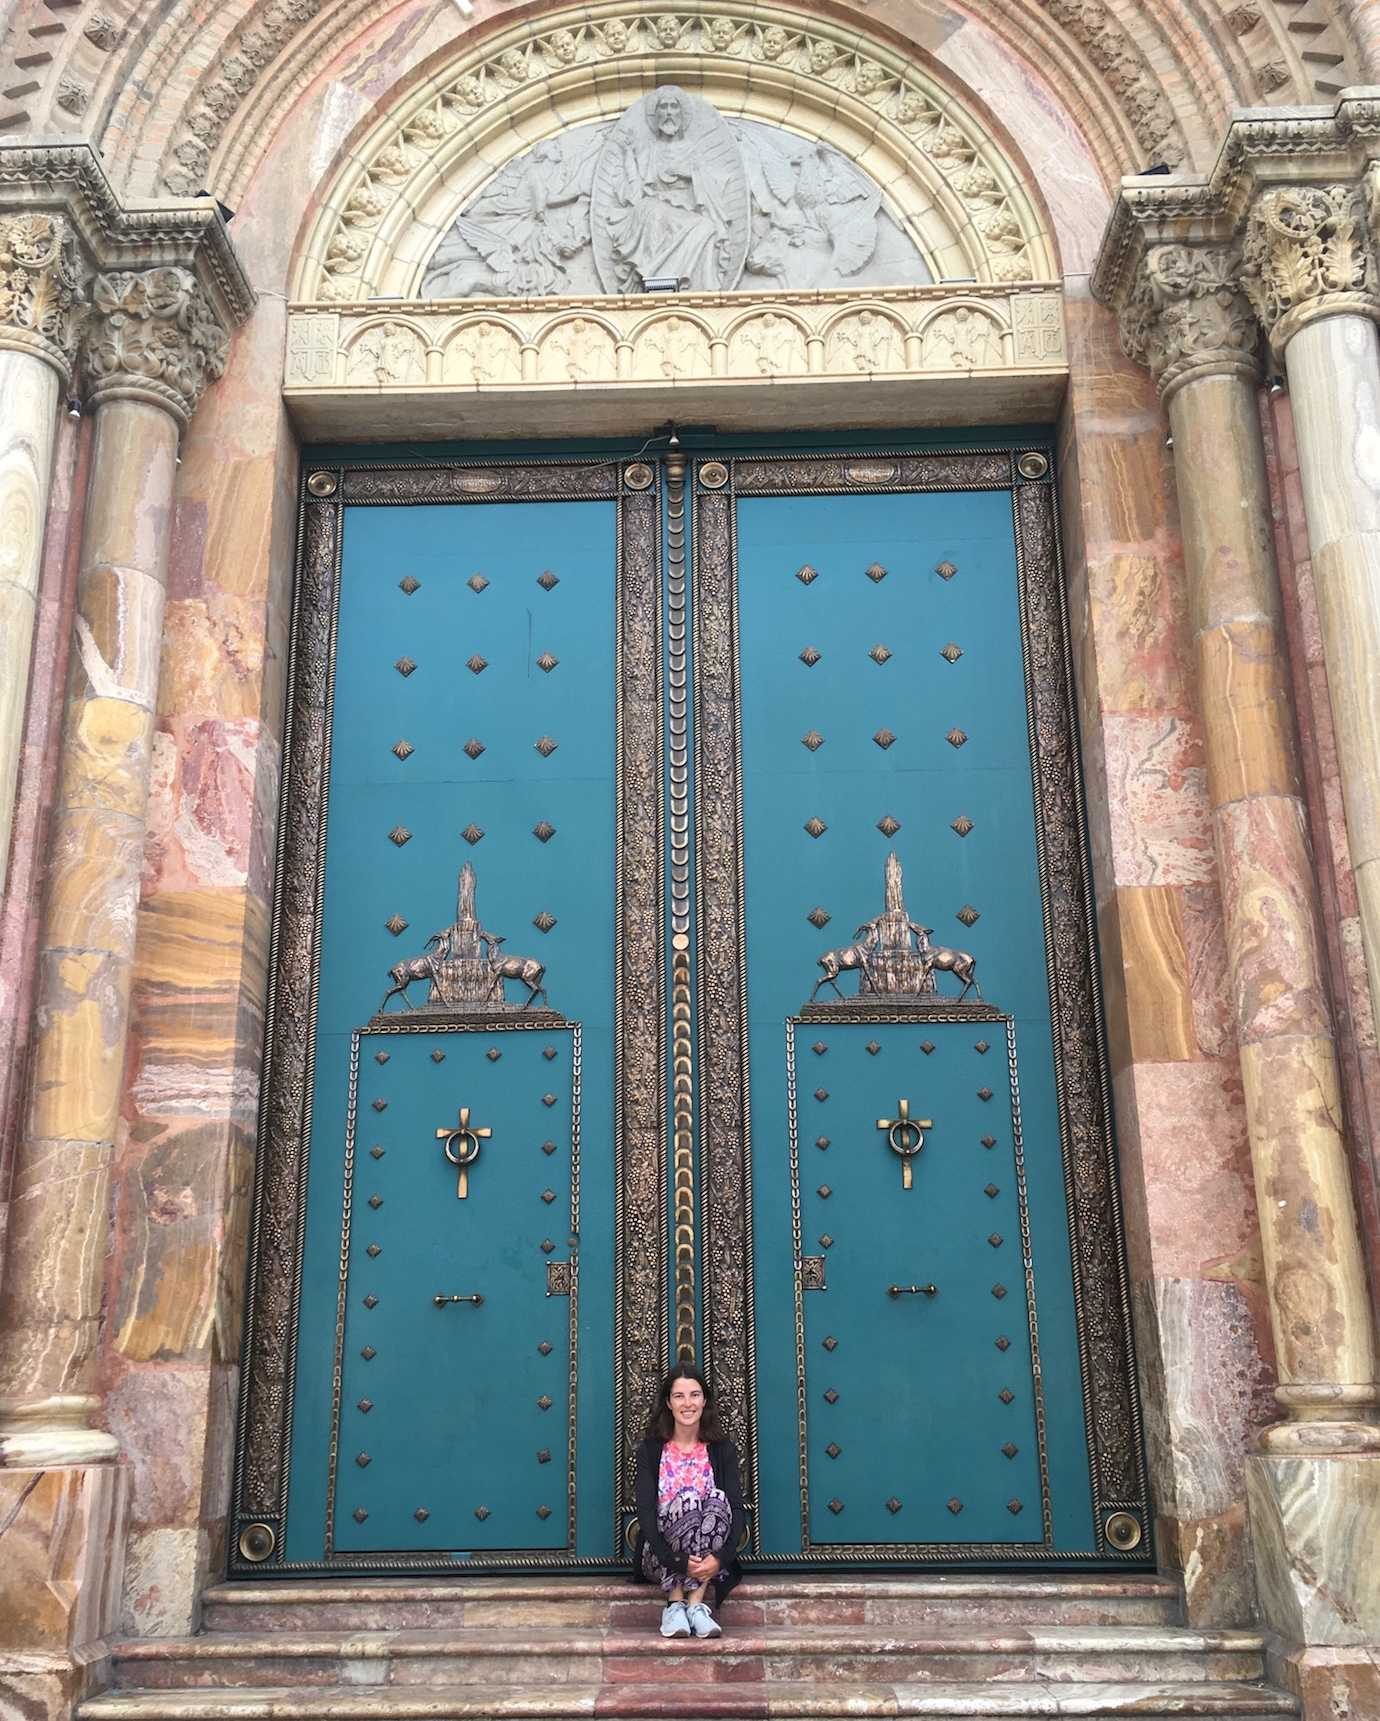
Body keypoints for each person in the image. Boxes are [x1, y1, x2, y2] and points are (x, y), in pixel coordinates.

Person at [633, 1363, 745, 1638]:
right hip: (660, 1555)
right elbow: (646, 1514)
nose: (688, 1403)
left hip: (709, 1555)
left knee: (717, 1499)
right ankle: (674, 1604)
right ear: (669, 1403)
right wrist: (677, 1560)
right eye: (679, 1396)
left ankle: (695, 1607)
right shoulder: (651, 1450)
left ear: (704, 1401)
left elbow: (737, 1509)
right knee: (688, 1500)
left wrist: (720, 1559)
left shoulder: (722, 1450)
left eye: (694, 1395)